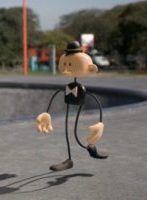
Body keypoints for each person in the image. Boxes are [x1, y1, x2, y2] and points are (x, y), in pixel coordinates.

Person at [35, 41, 108, 171]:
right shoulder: (68, 87)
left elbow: (96, 100)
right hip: (70, 104)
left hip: (79, 105)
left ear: (90, 68)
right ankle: (69, 160)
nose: (67, 69)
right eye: (65, 65)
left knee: (76, 134)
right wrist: (47, 113)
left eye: (70, 65)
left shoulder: (80, 88)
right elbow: (56, 95)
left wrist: (100, 123)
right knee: (68, 133)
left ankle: (90, 149)